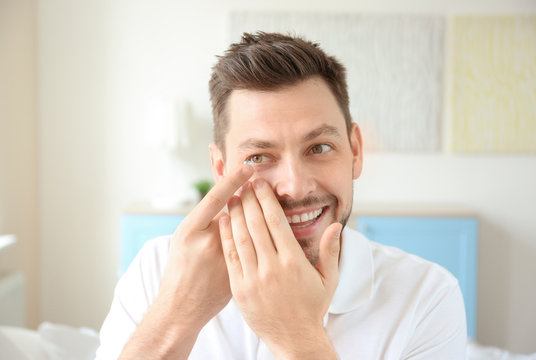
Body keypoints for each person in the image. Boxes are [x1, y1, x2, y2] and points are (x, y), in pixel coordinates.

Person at [96, 32, 467, 359]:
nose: (295, 185)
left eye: (319, 147)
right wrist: (177, 313)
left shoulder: (427, 296)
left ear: (355, 150)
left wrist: (298, 340)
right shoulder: (157, 271)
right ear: (221, 168)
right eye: (259, 157)